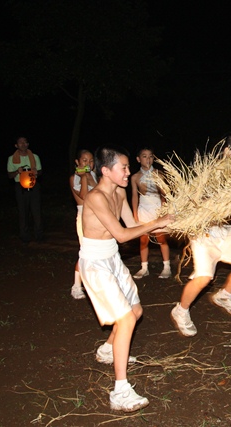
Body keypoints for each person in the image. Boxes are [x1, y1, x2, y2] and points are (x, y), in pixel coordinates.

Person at [79, 145, 173, 412]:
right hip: (96, 263)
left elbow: (132, 226)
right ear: (106, 171)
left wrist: (167, 224)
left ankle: (108, 350)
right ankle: (120, 391)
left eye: (127, 167)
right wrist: (156, 223)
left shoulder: (119, 192)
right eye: (123, 167)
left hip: (112, 259)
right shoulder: (95, 197)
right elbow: (122, 235)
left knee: (136, 311)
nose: (128, 171)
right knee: (126, 319)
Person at [170, 132, 231, 337]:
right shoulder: (209, 173)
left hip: (224, 230)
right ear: (228, 151)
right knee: (204, 277)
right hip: (203, 233)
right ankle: (180, 310)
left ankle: (224, 295)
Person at [130, 148, 172, 279]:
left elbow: (164, 195)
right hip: (143, 209)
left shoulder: (158, 174)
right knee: (143, 240)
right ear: (138, 159)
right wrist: (135, 215)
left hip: (156, 208)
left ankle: (167, 267)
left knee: (161, 238)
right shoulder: (135, 177)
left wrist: (163, 212)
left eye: (150, 156)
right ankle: (144, 268)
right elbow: (134, 196)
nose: (148, 159)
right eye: (144, 156)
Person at [69, 149, 98, 299]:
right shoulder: (74, 178)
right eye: (85, 160)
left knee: (98, 252)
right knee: (85, 252)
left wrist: (89, 177)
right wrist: (83, 178)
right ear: (77, 162)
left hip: (98, 216)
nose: (88, 164)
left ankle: (94, 285)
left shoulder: (93, 175)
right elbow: (84, 196)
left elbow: (101, 191)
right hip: (84, 217)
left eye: (91, 160)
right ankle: (76, 286)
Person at [6, 136, 43, 243]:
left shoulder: (34, 157)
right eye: (20, 143)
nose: (23, 144)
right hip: (20, 186)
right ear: (16, 146)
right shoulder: (11, 158)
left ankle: (39, 235)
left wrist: (37, 172)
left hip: (33, 185)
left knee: (36, 211)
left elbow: (40, 172)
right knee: (23, 212)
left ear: (28, 144)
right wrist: (18, 171)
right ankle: (24, 236)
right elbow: (9, 175)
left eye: (25, 142)